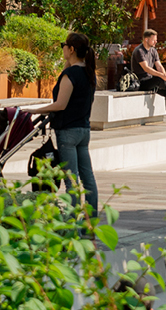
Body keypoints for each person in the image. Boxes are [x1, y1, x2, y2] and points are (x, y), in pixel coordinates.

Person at [32, 32, 99, 218]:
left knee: (71, 179)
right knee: (88, 178)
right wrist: (68, 62)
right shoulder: (88, 71)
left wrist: (35, 110)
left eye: (64, 45)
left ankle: (72, 224)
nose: (62, 48)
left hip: (67, 131)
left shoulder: (71, 75)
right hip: (84, 130)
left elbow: (60, 104)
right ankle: (90, 222)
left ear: (71, 49)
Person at [130, 29, 166, 127]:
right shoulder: (139, 51)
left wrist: (165, 76)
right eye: (153, 40)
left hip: (151, 82)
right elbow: (146, 68)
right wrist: (161, 76)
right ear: (146, 39)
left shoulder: (153, 50)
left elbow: (159, 66)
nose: (156, 42)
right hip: (141, 83)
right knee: (159, 78)